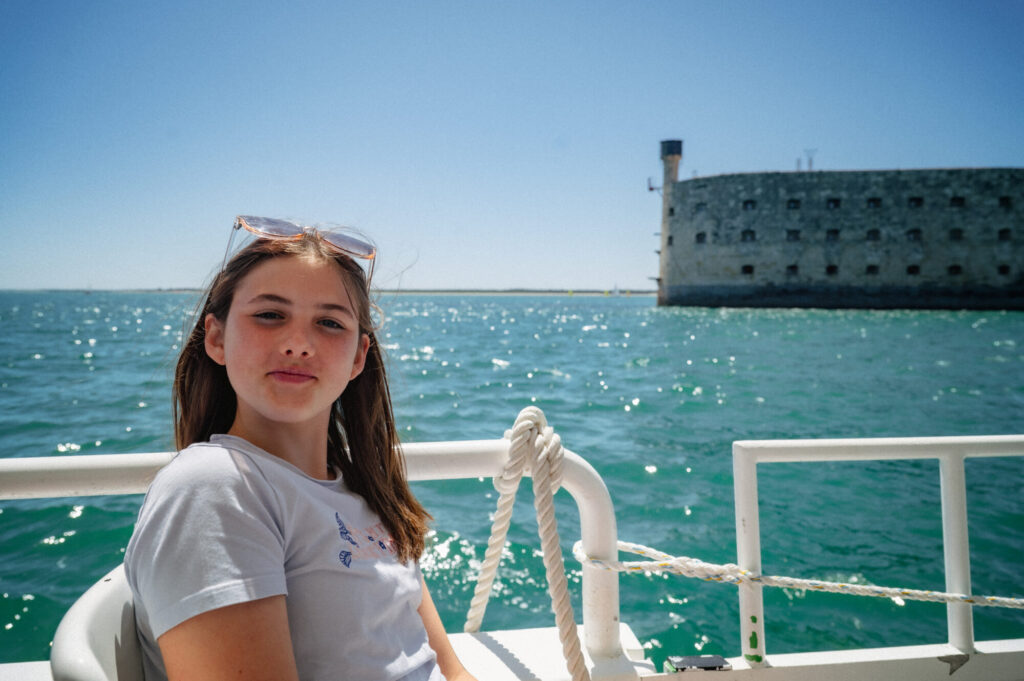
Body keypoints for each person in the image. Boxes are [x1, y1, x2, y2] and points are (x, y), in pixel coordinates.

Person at [125, 216, 477, 681]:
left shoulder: (364, 492)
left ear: (358, 358)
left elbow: (446, 668)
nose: (298, 344)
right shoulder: (215, 488)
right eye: (270, 315)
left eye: (329, 323)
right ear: (216, 337)